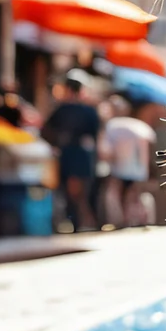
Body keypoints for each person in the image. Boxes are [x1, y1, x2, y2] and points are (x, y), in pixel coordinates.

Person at [42, 70, 101, 232]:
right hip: (83, 155)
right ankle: (83, 222)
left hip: (67, 154)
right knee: (82, 192)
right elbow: (96, 134)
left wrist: (56, 144)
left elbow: (46, 131)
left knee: (71, 193)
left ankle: (79, 222)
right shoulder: (89, 110)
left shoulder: (62, 109)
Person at [99, 94, 157, 228]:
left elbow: (106, 152)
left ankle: (124, 220)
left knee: (120, 195)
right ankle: (141, 219)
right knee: (134, 195)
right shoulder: (139, 125)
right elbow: (150, 143)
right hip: (138, 169)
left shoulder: (111, 126)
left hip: (120, 169)